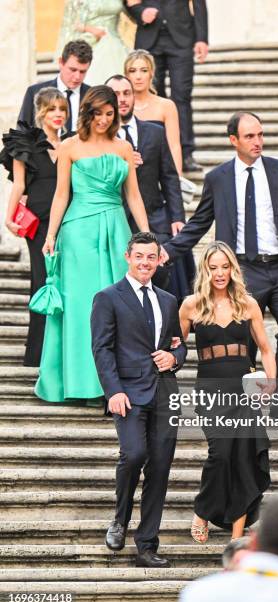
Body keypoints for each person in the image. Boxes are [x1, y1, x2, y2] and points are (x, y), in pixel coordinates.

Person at [164, 111, 278, 376]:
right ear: (234, 140)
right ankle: (245, 406)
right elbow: (200, 221)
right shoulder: (218, 177)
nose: (257, 141)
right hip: (242, 269)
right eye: (250, 136)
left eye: (260, 135)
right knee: (245, 341)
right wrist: (168, 250)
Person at [35, 85, 149, 402]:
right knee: (81, 306)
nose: (103, 119)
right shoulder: (69, 147)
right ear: (87, 113)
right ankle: (80, 382)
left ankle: (116, 383)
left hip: (116, 229)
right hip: (78, 235)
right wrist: (51, 235)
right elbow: (61, 194)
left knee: (122, 306)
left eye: (109, 113)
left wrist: (147, 235)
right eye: (97, 113)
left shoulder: (124, 148)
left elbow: (134, 196)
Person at [91, 232, 187, 568]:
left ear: (159, 259)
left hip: (164, 392)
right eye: (139, 256)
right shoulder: (108, 297)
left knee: (160, 469)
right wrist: (113, 390)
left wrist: (174, 358)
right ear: (127, 257)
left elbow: (179, 343)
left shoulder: (168, 299)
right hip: (127, 393)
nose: (145, 263)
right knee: (134, 454)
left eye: (151, 257)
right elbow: (101, 348)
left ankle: (146, 544)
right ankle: (120, 518)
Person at [179, 241, 274, 542]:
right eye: (213, 267)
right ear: (205, 270)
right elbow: (176, 347)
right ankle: (202, 511)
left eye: (225, 266)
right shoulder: (190, 305)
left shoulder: (248, 304)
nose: (220, 273)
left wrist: (270, 383)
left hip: (243, 389)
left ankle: (236, 534)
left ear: (233, 268)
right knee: (220, 455)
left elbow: (266, 349)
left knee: (243, 460)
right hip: (209, 389)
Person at [106, 74, 194, 300]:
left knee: (164, 275)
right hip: (114, 219)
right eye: (116, 95)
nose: (122, 99)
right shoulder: (100, 140)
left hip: (154, 217)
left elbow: (169, 177)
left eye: (127, 93)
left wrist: (177, 216)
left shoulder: (154, 132)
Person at [0, 88, 68, 366]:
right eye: (52, 109)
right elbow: (19, 184)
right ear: (41, 112)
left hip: (68, 222)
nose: (58, 115)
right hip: (38, 225)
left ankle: (62, 351)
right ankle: (38, 354)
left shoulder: (72, 143)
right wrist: (9, 217)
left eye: (62, 109)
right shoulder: (25, 143)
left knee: (65, 284)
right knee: (42, 282)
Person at [124, 0, 208, 172]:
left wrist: (202, 38)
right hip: (149, 39)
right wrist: (140, 12)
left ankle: (186, 154)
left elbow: (199, 3)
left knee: (182, 97)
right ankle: (157, 153)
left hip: (182, 38)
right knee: (152, 97)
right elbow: (129, 2)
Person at [124, 49, 183, 176]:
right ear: (126, 75)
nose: (138, 76)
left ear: (151, 73)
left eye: (144, 70)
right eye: (132, 71)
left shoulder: (166, 106)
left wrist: (177, 179)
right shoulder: (120, 106)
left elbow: (174, 147)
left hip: (159, 174)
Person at [18, 40, 92, 133]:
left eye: (82, 71)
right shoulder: (34, 92)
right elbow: (21, 134)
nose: (77, 77)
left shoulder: (92, 96)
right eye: (73, 70)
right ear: (61, 63)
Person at [56, 0, 129, 86]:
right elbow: (72, 22)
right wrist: (91, 30)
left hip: (116, 44)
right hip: (90, 41)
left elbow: (131, 15)